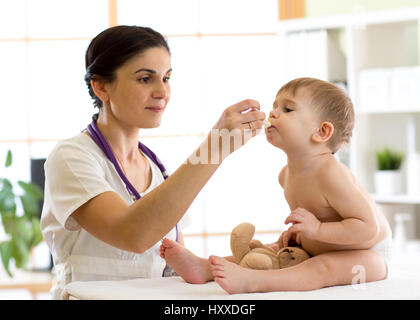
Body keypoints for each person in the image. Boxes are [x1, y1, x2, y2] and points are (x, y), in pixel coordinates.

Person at [40, 25, 265, 299]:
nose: (162, 92)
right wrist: (213, 150)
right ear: (100, 86)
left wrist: (258, 262)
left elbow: (178, 262)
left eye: (166, 78)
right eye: (145, 79)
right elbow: (132, 235)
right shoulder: (71, 157)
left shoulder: (156, 168)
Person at [160, 77, 393, 294]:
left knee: (323, 266)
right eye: (275, 106)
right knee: (270, 250)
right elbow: (315, 217)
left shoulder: (332, 174)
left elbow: (367, 227)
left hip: (367, 253)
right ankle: (204, 268)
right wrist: (297, 233)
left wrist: (318, 231)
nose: (273, 113)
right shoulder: (286, 175)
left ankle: (253, 281)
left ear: (322, 132)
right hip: (323, 244)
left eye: (287, 109)